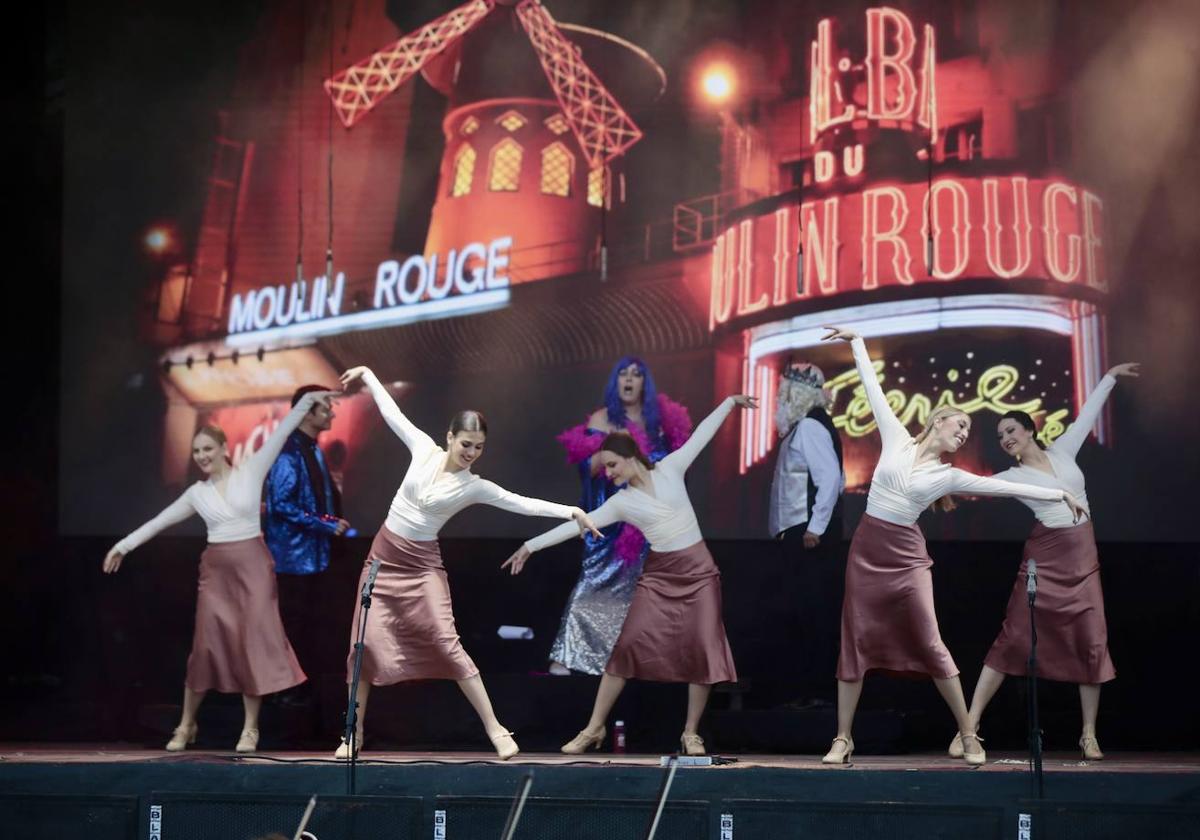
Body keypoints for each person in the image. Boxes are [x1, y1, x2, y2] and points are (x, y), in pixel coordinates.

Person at [818, 327, 1086, 766]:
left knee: (931, 640)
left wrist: (1060, 494)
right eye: (960, 425)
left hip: (906, 557)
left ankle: (967, 733)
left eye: (967, 431)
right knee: (855, 639)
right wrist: (857, 341)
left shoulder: (949, 475)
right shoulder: (895, 438)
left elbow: (997, 490)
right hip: (867, 551)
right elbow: (872, 385)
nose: (964, 434)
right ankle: (843, 739)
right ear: (938, 420)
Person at [334, 366, 601, 761]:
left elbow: (521, 503)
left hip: (423, 566)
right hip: (384, 558)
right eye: (465, 444)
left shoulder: (474, 485)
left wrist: (572, 511)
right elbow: (393, 414)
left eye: (478, 446)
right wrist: (371, 376)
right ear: (450, 438)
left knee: (447, 643)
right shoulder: (424, 450)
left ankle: (496, 729)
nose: (471, 452)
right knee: (364, 645)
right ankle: (351, 735)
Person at [504, 395, 756, 756]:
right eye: (605, 468)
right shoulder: (621, 502)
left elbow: (701, 435)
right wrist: (531, 545)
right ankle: (593, 729)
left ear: (629, 456)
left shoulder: (670, 468)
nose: (608, 473)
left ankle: (690, 733)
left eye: (611, 465)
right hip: (660, 577)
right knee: (626, 647)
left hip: (699, 573)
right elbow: (579, 526)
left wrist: (729, 403)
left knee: (704, 649)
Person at [102, 390, 339, 753]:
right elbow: (159, 521)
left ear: (223, 447)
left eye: (207, 449)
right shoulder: (197, 493)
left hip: (254, 566)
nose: (201, 457)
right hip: (217, 570)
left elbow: (282, 430)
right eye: (196, 452)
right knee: (205, 646)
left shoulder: (252, 470)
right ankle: (186, 725)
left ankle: (250, 730)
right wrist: (123, 545)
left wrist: (310, 401)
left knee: (253, 643)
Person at [950, 362, 1138, 762]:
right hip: (1044, 558)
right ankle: (969, 728)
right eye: (1000, 436)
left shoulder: (1064, 451)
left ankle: (1088, 734)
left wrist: (1109, 377)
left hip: (1082, 559)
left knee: (1091, 639)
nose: (1005, 439)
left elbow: (1087, 416)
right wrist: (941, 486)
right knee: (1013, 638)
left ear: (1030, 429)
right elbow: (973, 484)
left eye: (1011, 431)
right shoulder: (1010, 476)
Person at [550, 356, 692, 675]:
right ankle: (567, 657)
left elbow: (671, 471)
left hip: (649, 520)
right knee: (595, 581)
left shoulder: (659, 425)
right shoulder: (603, 419)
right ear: (615, 382)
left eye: (636, 374)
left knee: (640, 593)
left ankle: (624, 663)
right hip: (613, 517)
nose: (629, 379)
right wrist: (616, 449)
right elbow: (587, 468)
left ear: (645, 383)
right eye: (623, 374)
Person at [263, 385, 350, 704]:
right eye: (326, 406)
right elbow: (280, 504)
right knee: (294, 632)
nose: (333, 412)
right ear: (307, 411)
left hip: (315, 559)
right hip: (292, 561)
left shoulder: (312, 448)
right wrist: (325, 523)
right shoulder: (287, 452)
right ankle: (287, 699)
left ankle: (304, 702)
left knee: (313, 634)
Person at [768, 361, 846, 697]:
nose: (780, 399)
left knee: (812, 615)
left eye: (785, 391)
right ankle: (805, 691)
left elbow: (830, 480)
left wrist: (815, 528)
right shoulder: (802, 428)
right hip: (797, 534)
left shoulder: (812, 427)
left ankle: (815, 693)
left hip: (808, 535)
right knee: (800, 615)